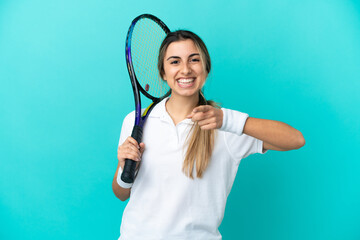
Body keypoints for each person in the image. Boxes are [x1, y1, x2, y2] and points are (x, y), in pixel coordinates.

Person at [112, 30, 305, 240]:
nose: (185, 70)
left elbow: (295, 139)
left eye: (194, 60)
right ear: (163, 73)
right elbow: (121, 193)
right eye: (175, 62)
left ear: (205, 68)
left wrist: (228, 120)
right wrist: (125, 166)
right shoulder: (136, 120)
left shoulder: (225, 125)